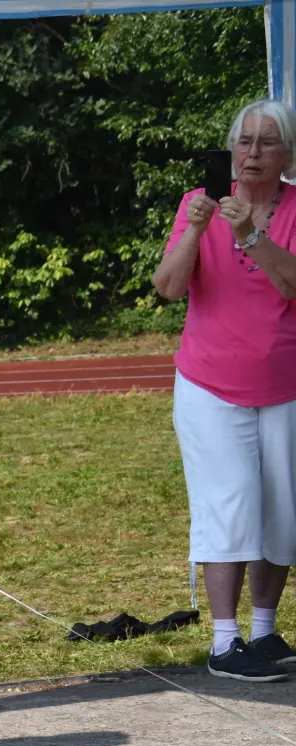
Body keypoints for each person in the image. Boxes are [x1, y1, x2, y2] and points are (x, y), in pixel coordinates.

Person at [151, 98, 296, 683]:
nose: (253, 153)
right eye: (244, 142)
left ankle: (264, 631)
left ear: (286, 154)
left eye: (266, 142)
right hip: (211, 385)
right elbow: (166, 287)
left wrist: (249, 237)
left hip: (284, 386)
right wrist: (196, 230)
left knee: (281, 511)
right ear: (230, 150)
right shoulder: (197, 204)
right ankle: (223, 639)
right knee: (227, 505)